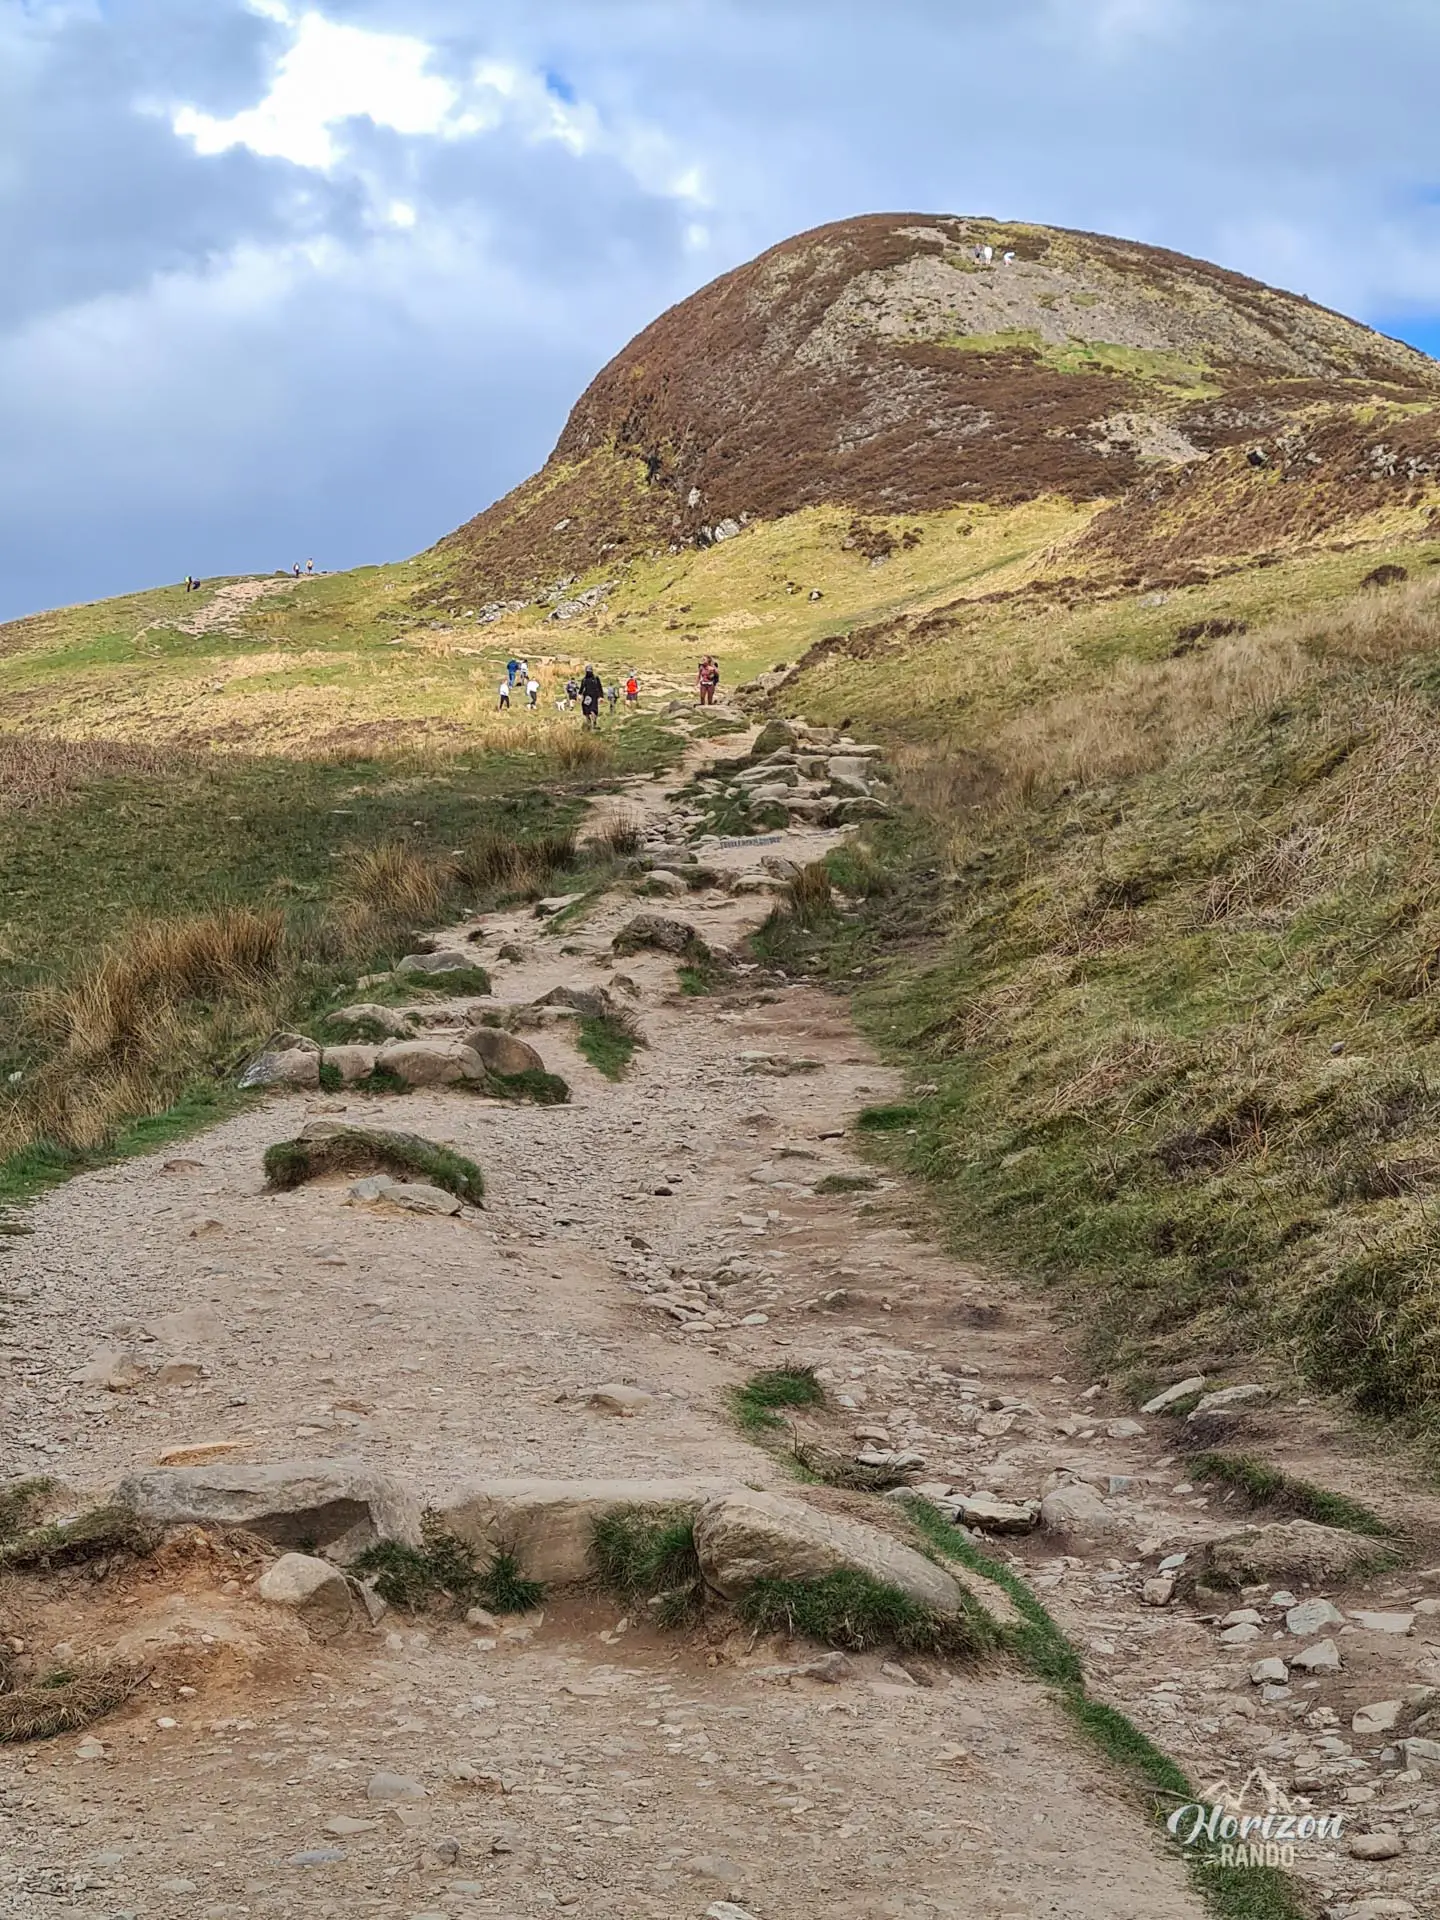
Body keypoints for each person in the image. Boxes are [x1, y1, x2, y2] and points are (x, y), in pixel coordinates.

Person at [579, 663, 604, 730]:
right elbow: (581, 688)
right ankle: (589, 723)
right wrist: (579, 694)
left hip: (594, 696)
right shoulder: (584, 679)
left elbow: (599, 687)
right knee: (586, 711)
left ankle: (594, 723)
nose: (588, 672)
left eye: (589, 671)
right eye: (588, 671)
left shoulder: (595, 678)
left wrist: (601, 696)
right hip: (587, 696)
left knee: (593, 710)